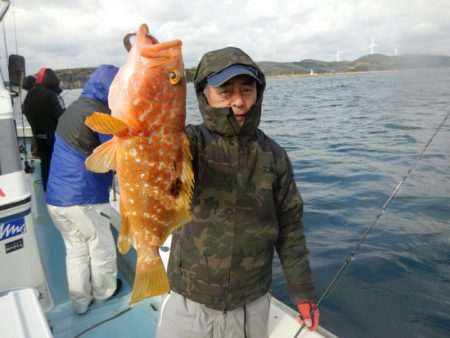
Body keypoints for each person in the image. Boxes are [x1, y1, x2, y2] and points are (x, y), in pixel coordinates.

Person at [157, 47, 319, 338]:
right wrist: (155, 72)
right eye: (225, 91)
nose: (239, 102)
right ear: (205, 95)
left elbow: (290, 228)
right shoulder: (187, 143)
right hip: (189, 298)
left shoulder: (275, 156)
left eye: (247, 90)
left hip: (251, 303)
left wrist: (302, 290)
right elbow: (155, 145)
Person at [46, 65, 122, 315]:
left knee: (76, 251)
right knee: (101, 248)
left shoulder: (75, 108)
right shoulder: (100, 115)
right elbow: (114, 158)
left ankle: (80, 303)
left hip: (56, 199)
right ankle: (105, 294)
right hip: (84, 198)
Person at [23, 67, 65, 191]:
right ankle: (60, 193)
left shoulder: (30, 95)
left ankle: (48, 192)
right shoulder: (52, 95)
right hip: (55, 138)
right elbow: (63, 116)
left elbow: (24, 110)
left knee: (45, 164)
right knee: (58, 165)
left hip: (39, 138)